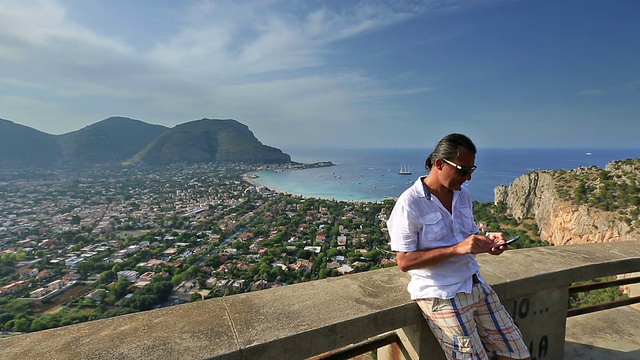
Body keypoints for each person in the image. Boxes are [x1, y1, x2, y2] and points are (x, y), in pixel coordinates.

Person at [387, 133, 531, 360]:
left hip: (475, 284)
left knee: (517, 353)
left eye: (471, 171)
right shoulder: (410, 203)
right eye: (463, 170)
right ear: (439, 163)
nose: (468, 178)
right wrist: (457, 249)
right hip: (442, 293)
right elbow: (404, 261)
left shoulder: (462, 195)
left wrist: (487, 242)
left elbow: (467, 236)